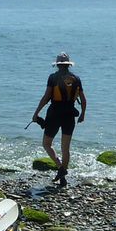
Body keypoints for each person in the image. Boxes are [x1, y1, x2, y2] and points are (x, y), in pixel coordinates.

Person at [32, 52, 86, 187]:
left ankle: (60, 168)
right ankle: (63, 175)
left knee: (46, 144)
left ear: (57, 65)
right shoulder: (76, 78)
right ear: (68, 65)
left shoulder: (53, 78)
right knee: (65, 148)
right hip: (69, 115)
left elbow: (46, 97)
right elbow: (83, 100)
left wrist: (36, 113)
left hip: (54, 114)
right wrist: (82, 114)